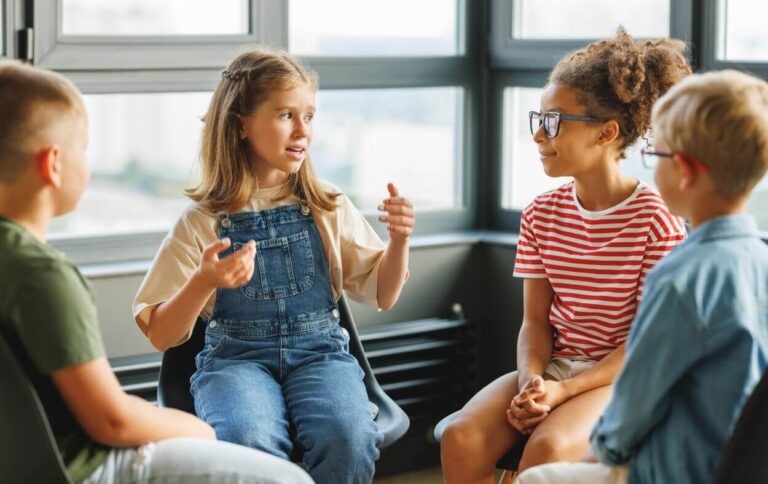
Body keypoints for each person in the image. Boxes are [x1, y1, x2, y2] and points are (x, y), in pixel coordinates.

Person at [0, 60, 313, 484]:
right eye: (83, 148)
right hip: (81, 467)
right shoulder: (40, 277)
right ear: (53, 164)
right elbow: (110, 422)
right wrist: (198, 431)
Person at [132, 48, 413, 484]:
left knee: (349, 437)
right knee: (247, 439)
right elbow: (162, 334)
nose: (303, 130)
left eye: (310, 116)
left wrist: (399, 242)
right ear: (241, 124)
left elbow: (384, 293)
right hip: (235, 362)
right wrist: (203, 281)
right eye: (286, 115)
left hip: (320, 355)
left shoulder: (326, 203)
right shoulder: (201, 220)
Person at [440, 28, 691, 483]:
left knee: (548, 450)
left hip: (622, 378)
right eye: (539, 119)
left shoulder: (657, 220)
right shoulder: (541, 214)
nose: (539, 134)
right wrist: (530, 385)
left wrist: (562, 392)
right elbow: (535, 323)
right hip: (554, 370)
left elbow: (644, 342)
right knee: (461, 436)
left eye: (554, 122)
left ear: (607, 133)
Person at [516, 69, 768, 484]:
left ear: (684, 170)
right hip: (741, 466)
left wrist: (598, 455)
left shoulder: (681, 276)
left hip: (675, 470)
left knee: (538, 479)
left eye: (657, 157)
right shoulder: (759, 259)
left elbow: (637, 398)